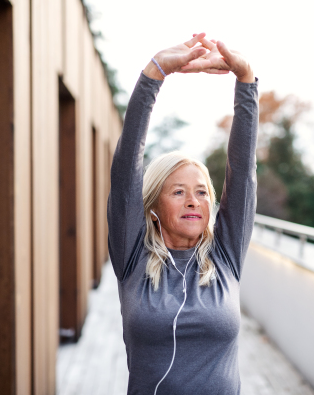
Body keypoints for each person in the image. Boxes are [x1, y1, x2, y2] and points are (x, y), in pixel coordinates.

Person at [107, 32, 258, 395]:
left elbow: (242, 170)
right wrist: (153, 75)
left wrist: (246, 81)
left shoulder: (226, 257)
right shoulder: (133, 260)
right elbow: (126, 172)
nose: (194, 201)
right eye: (178, 192)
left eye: (202, 193)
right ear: (154, 206)